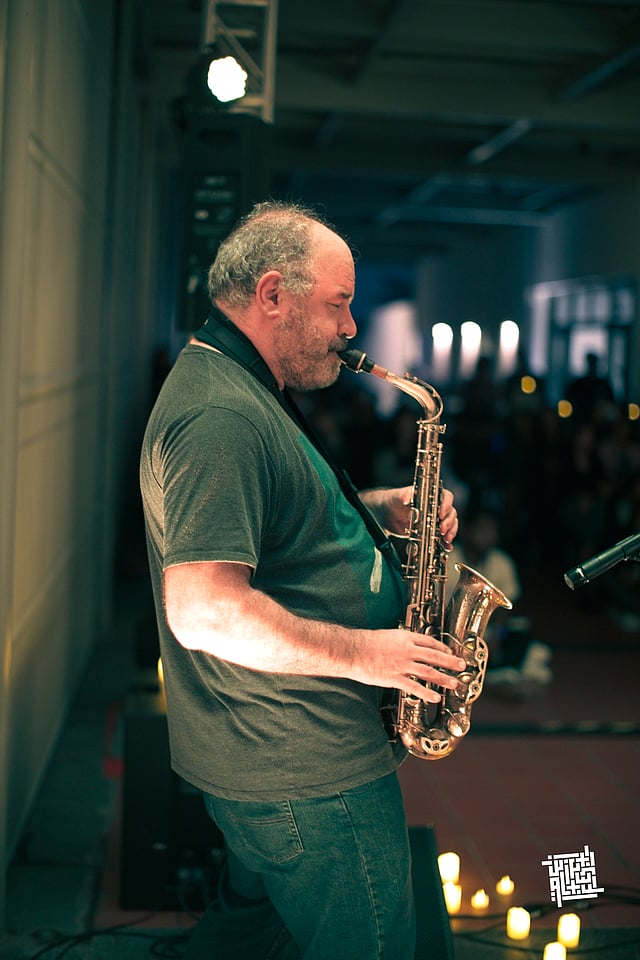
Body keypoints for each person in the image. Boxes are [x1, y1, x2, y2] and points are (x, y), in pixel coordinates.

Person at [139, 201, 461, 960]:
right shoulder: (223, 416)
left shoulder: (239, 384)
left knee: (246, 939)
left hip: (276, 758)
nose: (351, 329)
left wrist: (378, 507)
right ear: (274, 294)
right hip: (307, 770)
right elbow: (203, 608)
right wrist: (372, 655)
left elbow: (274, 517)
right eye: (339, 304)